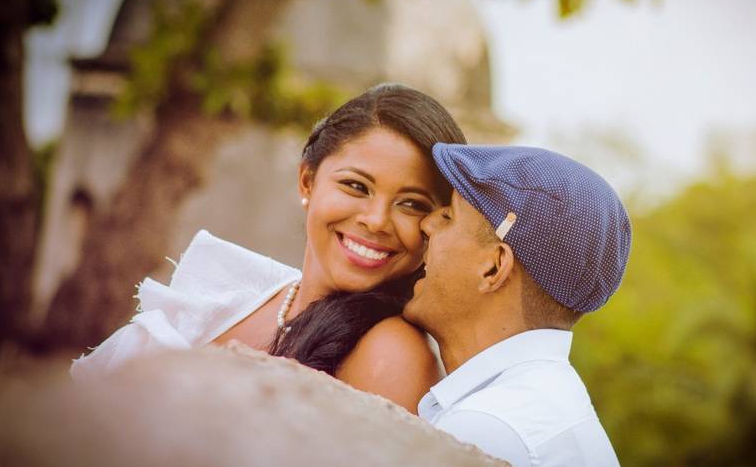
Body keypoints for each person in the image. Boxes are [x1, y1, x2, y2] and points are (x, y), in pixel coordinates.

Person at [71, 83, 467, 414]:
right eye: (356, 186)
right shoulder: (239, 295)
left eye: (412, 203)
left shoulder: (391, 354)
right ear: (307, 181)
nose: (377, 220)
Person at [402, 143, 633, 467]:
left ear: (493, 268)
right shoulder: (536, 406)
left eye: (448, 216)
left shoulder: (491, 429)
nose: (426, 224)